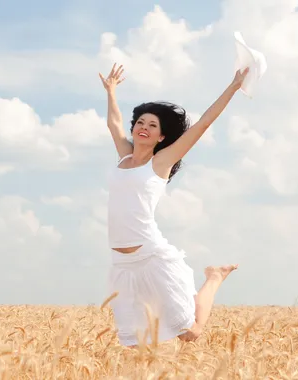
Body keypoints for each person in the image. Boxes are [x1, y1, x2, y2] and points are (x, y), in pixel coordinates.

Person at [99, 62, 249, 347]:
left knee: (189, 332)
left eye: (152, 125)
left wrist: (233, 86)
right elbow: (113, 123)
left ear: (162, 136)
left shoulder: (160, 162)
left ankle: (215, 277)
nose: (144, 128)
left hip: (151, 257)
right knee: (136, 343)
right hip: (121, 263)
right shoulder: (123, 158)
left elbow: (204, 123)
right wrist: (111, 91)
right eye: (140, 123)